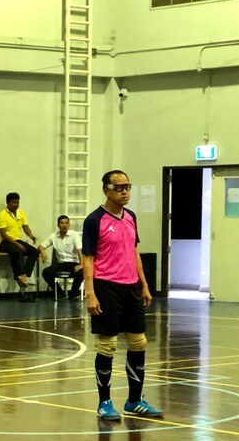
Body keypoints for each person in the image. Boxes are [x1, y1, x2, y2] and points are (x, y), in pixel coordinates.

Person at [82, 170, 163, 420]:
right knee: (108, 345)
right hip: (106, 287)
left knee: (138, 342)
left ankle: (134, 400)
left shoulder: (130, 217)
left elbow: (134, 252)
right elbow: (88, 259)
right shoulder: (94, 220)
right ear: (106, 190)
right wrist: (90, 293)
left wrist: (144, 285)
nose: (125, 192)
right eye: (119, 187)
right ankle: (104, 402)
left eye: (128, 187)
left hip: (131, 287)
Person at [0, 192, 39, 301]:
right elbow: (3, 234)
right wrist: (17, 244)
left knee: (34, 252)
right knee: (17, 251)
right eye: (13, 202)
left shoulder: (21, 213)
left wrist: (31, 235)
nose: (16, 204)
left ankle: (24, 274)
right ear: (8, 203)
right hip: (4, 242)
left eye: (17, 202)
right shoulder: (2, 215)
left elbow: (26, 227)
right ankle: (19, 275)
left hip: (17, 240)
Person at [38, 215, 84, 298]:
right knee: (46, 272)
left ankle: (73, 293)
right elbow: (41, 246)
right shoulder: (54, 236)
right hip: (61, 263)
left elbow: (79, 250)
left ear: (69, 225)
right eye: (62, 223)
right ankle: (60, 292)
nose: (64, 225)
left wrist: (81, 264)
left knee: (81, 273)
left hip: (73, 263)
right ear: (58, 225)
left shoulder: (74, 235)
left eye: (66, 223)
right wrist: (43, 252)